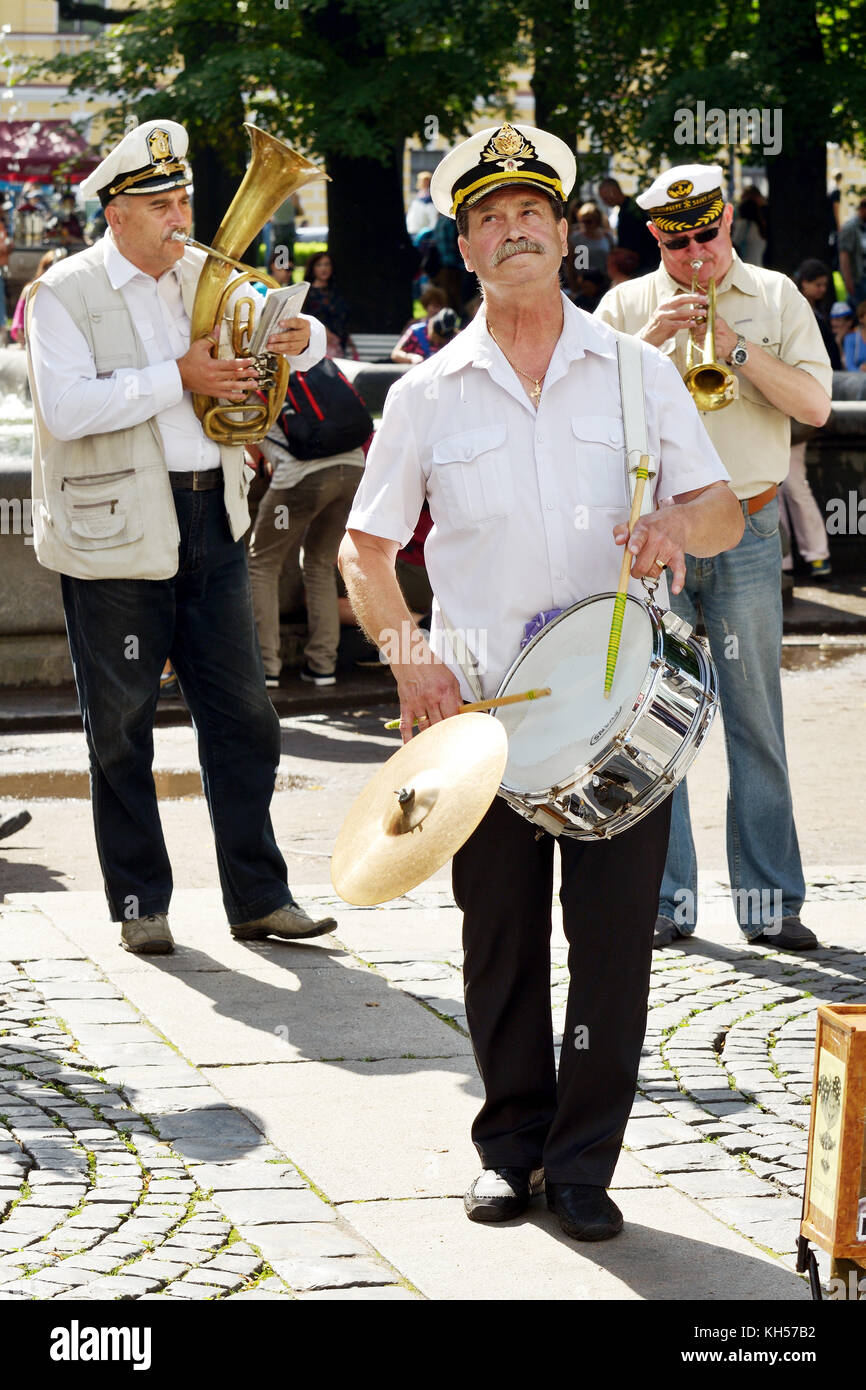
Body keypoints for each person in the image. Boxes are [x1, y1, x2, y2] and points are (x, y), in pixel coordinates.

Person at [339, 123, 742, 1243]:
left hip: (617, 710)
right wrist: (406, 651)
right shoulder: (426, 394)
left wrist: (673, 522)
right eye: (487, 218)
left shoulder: (637, 371)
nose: (513, 231)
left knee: (609, 949)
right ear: (463, 247)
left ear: (565, 236)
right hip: (481, 719)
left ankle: (581, 1163)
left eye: (533, 215)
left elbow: (718, 509)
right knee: (498, 938)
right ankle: (509, 1146)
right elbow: (362, 551)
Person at [24, 118, 335, 956]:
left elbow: (291, 351)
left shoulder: (207, 272)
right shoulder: (62, 293)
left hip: (215, 518)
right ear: (114, 212)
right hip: (116, 531)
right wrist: (181, 379)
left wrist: (300, 344)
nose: (180, 217)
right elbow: (67, 409)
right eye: (161, 203)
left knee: (246, 719)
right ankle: (139, 905)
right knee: (121, 728)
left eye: (184, 198)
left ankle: (259, 897)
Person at [595, 163, 833, 952]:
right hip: (658, 539)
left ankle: (771, 906)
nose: (696, 252)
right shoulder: (626, 306)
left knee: (756, 722)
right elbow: (582, 414)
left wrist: (733, 351)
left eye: (707, 233)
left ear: (727, 221)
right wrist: (652, 340)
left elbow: (816, 405)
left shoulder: (774, 296)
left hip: (752, 530)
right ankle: (666, 903)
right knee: (656, 725)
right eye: (677, 239)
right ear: (656, 237)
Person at [248, 360, 373, 688]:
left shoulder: (250, 373)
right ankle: (322, 667)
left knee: (262, 561)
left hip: (302, 482)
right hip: (352, 473)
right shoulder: (312, 364)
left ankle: (266, 668)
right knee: (318, 563)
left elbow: (253, 450)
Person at [597, 177, 659, 274]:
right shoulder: (628, 208)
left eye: (605, 198)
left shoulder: (631, 211)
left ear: (613, 191)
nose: (604, 202)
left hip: (644, 264)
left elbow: (635, 242)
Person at [304, 251, 356, 358]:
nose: (324, 268)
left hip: (339, 345)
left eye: (327, 264)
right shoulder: (307, 292)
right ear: (313, 268)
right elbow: (306, 317)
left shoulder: (337, 291)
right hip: (318, 345)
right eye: (319, 265)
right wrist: (326, 334)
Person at [10, 249, 66, 347]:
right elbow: (19, 324)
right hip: (32, 344)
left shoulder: (65, 292)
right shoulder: (30, 290)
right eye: (49, 266)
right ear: (43, 267)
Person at [391, 304, 457, 365]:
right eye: (435, 337)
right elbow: (395, 354)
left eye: (441, 340)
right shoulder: (416, 332)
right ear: (431, 325)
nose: (436, 341)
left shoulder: (456, 337)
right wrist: (411, 357)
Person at [731, 184, 768, 266]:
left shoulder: (744, 224)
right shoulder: (760, 226)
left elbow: (734, 243)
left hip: (746, 267)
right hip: (760, 267)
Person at [406, 170, 437, 239]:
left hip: (422, 235)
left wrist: (427, 233)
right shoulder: (417, 197)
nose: (423, 183)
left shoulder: (430, 199)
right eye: (422, 180)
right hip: (412, 231)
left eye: (426, 180)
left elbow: (433, 220)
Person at [842, 299, 866, 372]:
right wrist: (860, 371)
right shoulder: (850, 338)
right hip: (858, 380)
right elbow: (849, 366)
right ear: (860, 318)